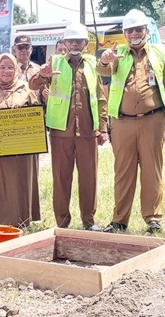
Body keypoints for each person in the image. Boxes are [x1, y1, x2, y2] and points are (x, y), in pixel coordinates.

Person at [97, 9, 165, 233]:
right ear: (124, 33)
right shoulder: (118, 54)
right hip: (122, 123)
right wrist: (105, 60)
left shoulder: (158, 52)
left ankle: (153, 218)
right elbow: (104, 68)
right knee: (123, 171)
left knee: (151, 170)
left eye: (138, 29)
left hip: (152, 120)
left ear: (146, 30)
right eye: (130, 30)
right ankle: (119, 220)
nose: (134, 33)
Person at [30, 23, 108, 230]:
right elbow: (33, 85)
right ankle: (62, 223)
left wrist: (104, 128)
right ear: (64, 43)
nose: (74, 44)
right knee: (61, 178)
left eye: (78, 41)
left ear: (85, 43)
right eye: (70, 40)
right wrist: (43, 75)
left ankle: (89, 221)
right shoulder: (54, 62)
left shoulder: (93, 64)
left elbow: (100, 98)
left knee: (89, 177)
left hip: (88, 130)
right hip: (60, 131)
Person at [0, 53, 41, 227]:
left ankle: (23, 221)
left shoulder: (26, 88)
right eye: (2, 67)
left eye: (10, 67)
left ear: (16, 69)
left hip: (22, 146)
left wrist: (24, 111)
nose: (6, 71)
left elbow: (37, 113)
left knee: (21, 180)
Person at [13, 33, 43, 222]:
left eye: (26, 47)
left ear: (31, 50)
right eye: (20, 47)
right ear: (14, 50)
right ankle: (14, 209)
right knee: (14, 168)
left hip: (33, 123)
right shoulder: (7, 67)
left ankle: (30, 213)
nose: (23, 51)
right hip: (13, 123)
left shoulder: (39, 70)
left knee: (32, 169)